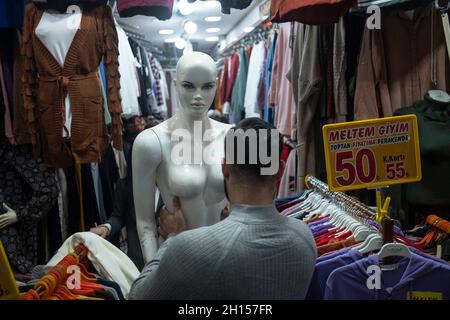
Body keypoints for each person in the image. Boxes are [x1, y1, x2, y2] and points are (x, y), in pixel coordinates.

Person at [129, 118, 317, 300]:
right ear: (280, 171)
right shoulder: (305, 239)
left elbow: (137, 295)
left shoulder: (188, 248)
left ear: (225, 168)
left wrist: (173, 237)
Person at [132, 52, 232, 263]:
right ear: (176, 85)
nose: (199, 96)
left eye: (207, 87)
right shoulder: (152, 142)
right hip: (177, 260)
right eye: (188, 86)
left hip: (226, 257)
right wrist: (152, 275)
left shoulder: (233, 136)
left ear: (216, 85)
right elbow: (145, 223)